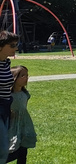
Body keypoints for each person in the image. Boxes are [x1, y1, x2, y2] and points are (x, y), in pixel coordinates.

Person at [6, 66, 34, 164]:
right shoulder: (7, 95)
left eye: (27, 75)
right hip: (10, 126)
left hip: (23, 126)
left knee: (23, 151)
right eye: (22, 76)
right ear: (14, 78)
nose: (26, 77)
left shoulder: (25, 94)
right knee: (10, 151)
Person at [0, 31, 20, 163]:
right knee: (2, 147)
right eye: (12, 45)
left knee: (3, 145)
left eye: (16, 45)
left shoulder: (5, 63)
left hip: (5, 106)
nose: (16, 48)